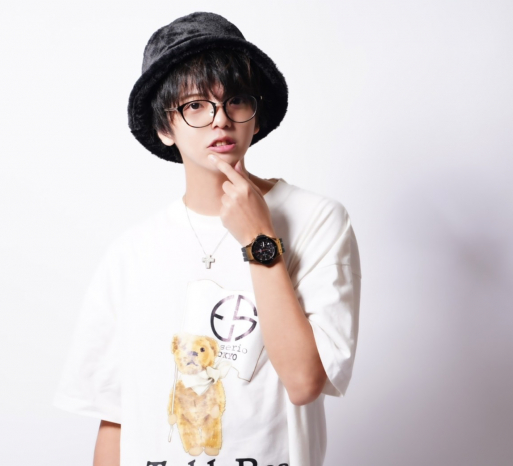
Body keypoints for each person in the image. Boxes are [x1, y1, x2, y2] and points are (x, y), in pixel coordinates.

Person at [53, 11, 362, 466]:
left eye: (235, 100)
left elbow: (303, 383)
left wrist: (259, 238)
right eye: (196, 105)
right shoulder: (131, 253)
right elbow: (115, 419)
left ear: (255, 117)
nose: (220, 120)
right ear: (165, 128)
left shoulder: (316, 220)